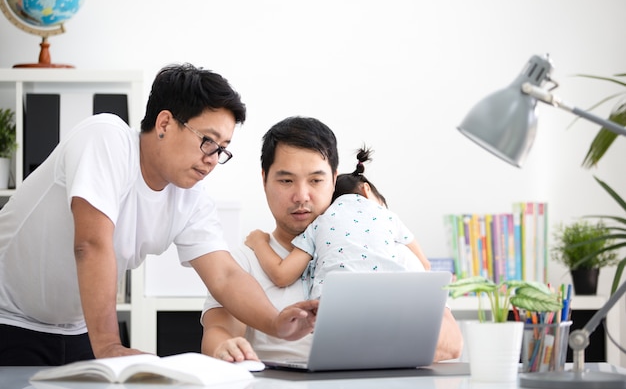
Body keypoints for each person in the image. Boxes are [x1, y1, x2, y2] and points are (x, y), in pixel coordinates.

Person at [0, 64, 317, 366]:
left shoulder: (191, 196)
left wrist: (276, 323)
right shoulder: (107, 138)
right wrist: (110, 345)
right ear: (164, 123)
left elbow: (225, 275)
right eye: (208, 141)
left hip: (75, 328)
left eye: (222, 149)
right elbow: (91, 244)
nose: (212, 159)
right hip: (9, 319)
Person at [201, 116, 463, 363]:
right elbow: (219, 330)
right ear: (264, 179)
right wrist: (223, 348)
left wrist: (360, 339)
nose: (301, 196)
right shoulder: (242, 262)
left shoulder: (390, 253)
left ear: (334, 179)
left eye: (316, 180)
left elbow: (451, 342)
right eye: (286, 180)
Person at [245, 145, 432, 299]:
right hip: (391, 301)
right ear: (367, 190)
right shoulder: (387, 216)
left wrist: (258, 241)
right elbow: (425, 265)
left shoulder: (320, 223)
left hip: (331, 307)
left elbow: (282, 275)